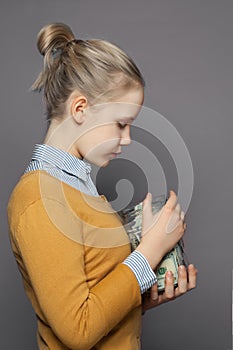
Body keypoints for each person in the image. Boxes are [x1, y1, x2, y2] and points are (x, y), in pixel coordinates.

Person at [7, 22, 197, 350]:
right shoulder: (39, 198)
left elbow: (98, 303)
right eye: (121, 124)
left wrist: (147, 297)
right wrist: (149, 250)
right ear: (80, 109)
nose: (127, 139)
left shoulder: (81, 191)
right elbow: (78, 331)